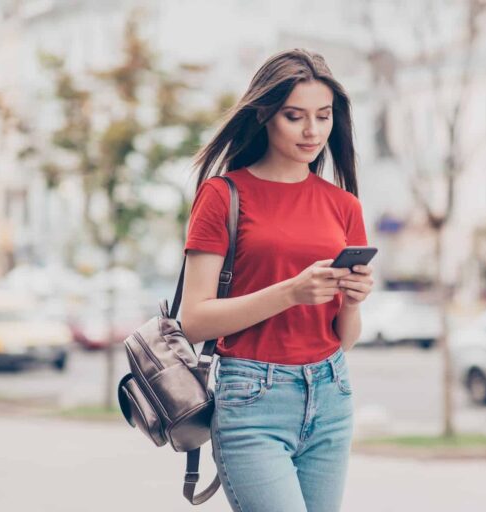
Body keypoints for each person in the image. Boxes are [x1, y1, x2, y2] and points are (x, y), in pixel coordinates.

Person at [181, 48, 374, 512]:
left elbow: (345, 338)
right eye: (295, 116)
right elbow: (194, 319)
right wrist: (292, 292)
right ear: (266, 116)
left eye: (323, 116)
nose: (313, 131)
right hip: (252, 398)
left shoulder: (343, 205)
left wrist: (352, 300)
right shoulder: (223, 196)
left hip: (331, 392)